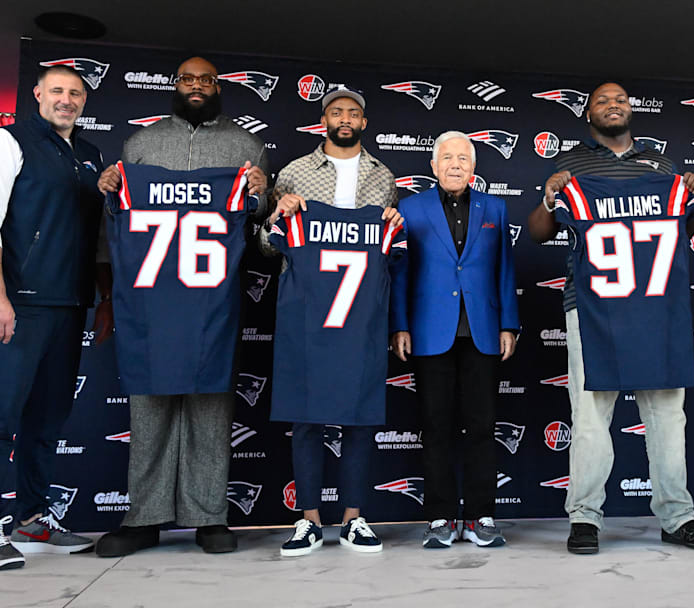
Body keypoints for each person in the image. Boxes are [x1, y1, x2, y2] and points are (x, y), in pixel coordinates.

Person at [527, 82, 694, 554]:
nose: (613, 106)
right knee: (591, 416)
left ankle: (677, 515)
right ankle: (585, 517)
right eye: (602, 101)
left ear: (631, 109)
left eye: (620, 100)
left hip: (657, 307)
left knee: (667, 415)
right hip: (592, 307)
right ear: (587, 114)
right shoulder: (571, 166)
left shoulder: (663, 167)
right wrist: (551, 197)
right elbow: (537, 232)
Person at [94, 56, 268, 557]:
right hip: (149, 297)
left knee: (210, 405)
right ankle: (144, 516)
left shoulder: (245, 145)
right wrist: (111, 189)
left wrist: (259, 195)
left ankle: (207, 515)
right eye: (187, 80)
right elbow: (117, 224)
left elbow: (259, 223)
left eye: (206, 80)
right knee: (149, 405)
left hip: (211, 295)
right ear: (176, 86)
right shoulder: (141, 145)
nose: (197, 87)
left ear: (218, 87)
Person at [0, 64, 111, 570]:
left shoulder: (89, 157)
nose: (66, 100)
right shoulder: (9, 141)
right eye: (57, 91)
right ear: (38, 94)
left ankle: (32, 518)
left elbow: (94, 239)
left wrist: (104, 298)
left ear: (84, 101)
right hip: (18, 304)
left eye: (75, 93)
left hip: (69, 306)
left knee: (47, 421)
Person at [257, 85, 402, 556]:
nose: (344, 118)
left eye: (353, 112)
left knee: (360, 414)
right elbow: (266, 244)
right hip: (305, 306)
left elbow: (391, 251)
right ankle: (309, 520)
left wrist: (391, 222)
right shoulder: (295, 172)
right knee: (306, 415)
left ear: (364, 122)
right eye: (336, 110)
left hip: (360, 308)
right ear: (324, 119)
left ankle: (355, 518)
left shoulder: (384, 175)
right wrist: (279, 213)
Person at [391, 131, 519, 548]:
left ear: (474, 167)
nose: (455, 164)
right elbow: (401, 273)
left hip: (482, 333)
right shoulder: (410, 209)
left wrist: (508, 325)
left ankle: (482, 516)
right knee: (436, 427)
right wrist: (400, 326)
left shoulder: (494, 209)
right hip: (430, 333)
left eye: (463, 158)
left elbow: (504, 271)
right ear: (433, 165)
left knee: (482, 427)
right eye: (447, 157)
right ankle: (440, 519)